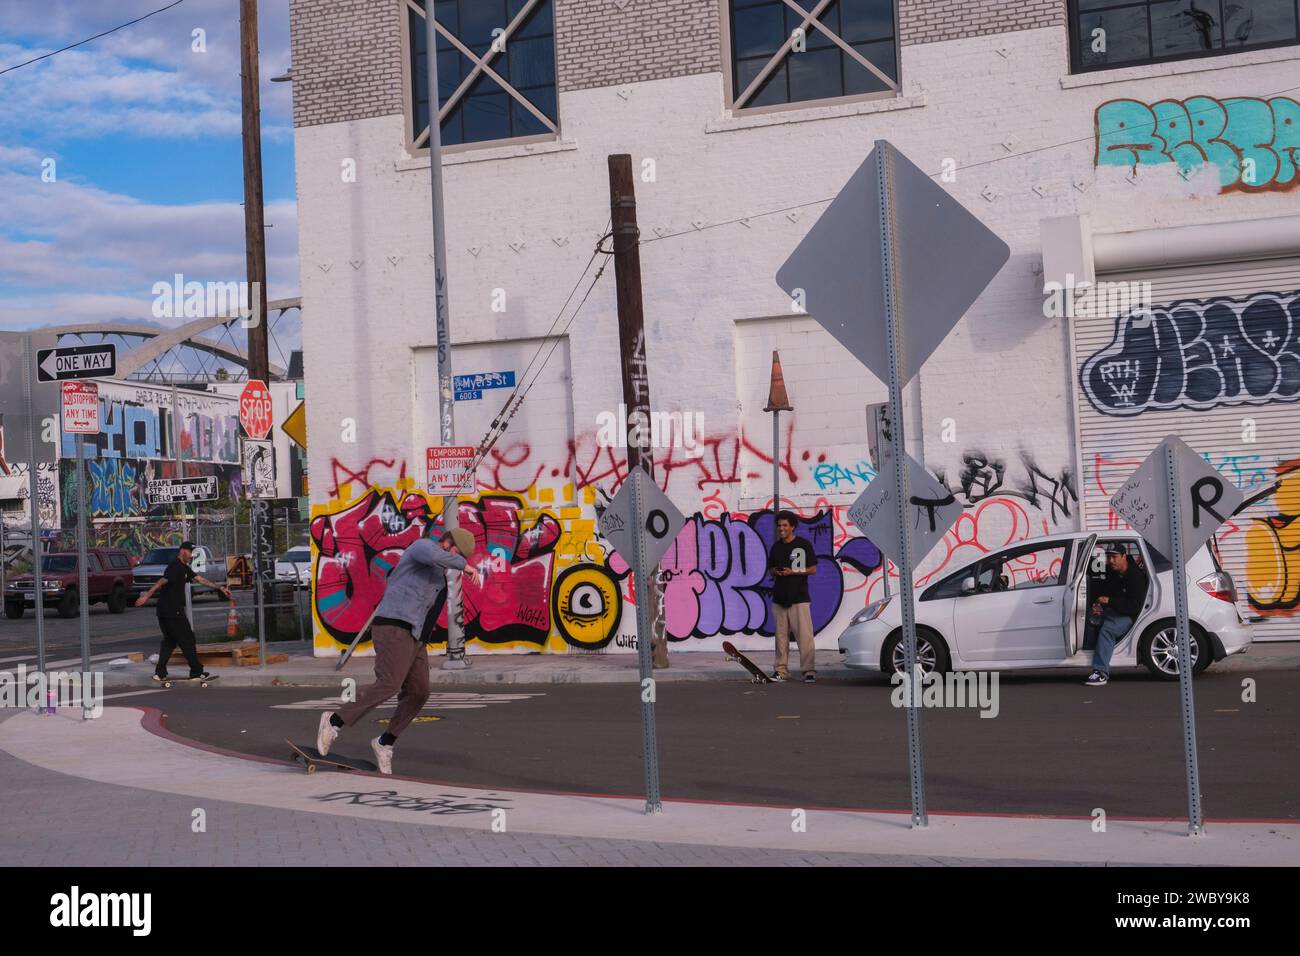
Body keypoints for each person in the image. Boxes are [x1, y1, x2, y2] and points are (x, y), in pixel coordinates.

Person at [316, 526, 479, 774]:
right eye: (454, 552)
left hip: (415, 636)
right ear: (446, 541)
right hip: (393, 625)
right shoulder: (422, 547)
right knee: (389, 683)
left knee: (419, 691)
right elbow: (436, 556)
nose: (455, 559)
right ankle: (334, 720)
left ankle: (385, 742)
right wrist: (464, 566)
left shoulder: (437, 575)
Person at [136, 540, 231, 683]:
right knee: (187, 639)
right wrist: (147, 596)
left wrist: (219, 588)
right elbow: (162, 581)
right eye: (190, 552)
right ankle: (196, 672)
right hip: (172, 611)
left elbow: (200, 579)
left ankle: (160, 673)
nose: (192, 555)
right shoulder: (175, 567)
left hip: (164, 611)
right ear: (182, 551)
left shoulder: (184, 568)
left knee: (169, 642)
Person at [1086, 544, 1148, 686]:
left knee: (1108, 630)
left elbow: (1135, 606)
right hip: (1112, 611)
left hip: (1129, 616)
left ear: (1124, 556)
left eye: (1114, 557)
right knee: (1088, 622)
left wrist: (1110, 601)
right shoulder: (1112, 572)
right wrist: (1098, 606)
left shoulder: (1135, 576)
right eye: (1108, 557)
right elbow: (1103, 591)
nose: (1111, 561)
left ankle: (1100, 672)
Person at [768, 510, 818, 683]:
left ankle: (809, 671)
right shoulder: (776, 547)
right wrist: (776, 572)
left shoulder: (803, 545)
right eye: (779, 525)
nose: (781, 529)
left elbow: (813, 569)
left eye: (784, 525)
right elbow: (771, 568)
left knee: (804, 636)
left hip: (799, 597)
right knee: (781, 637)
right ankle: (781, 670)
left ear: (792, 527)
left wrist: (792, 572)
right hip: (779, 598)